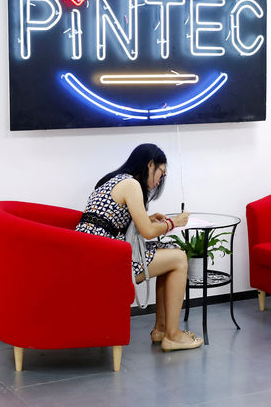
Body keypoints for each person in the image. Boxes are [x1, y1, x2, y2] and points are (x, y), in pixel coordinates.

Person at [75, 143, 203, 352]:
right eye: (160, 173)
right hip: (104, 261)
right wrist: (175, 223)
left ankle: (162, 330)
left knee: (170, 253)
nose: (160, 180)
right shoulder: (131, 184)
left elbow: (112, 221)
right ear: (150, 164)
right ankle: (173, 335)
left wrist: (149, 218)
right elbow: (147, 232)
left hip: (92, 253)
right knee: (179, 258)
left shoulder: (114, 180)